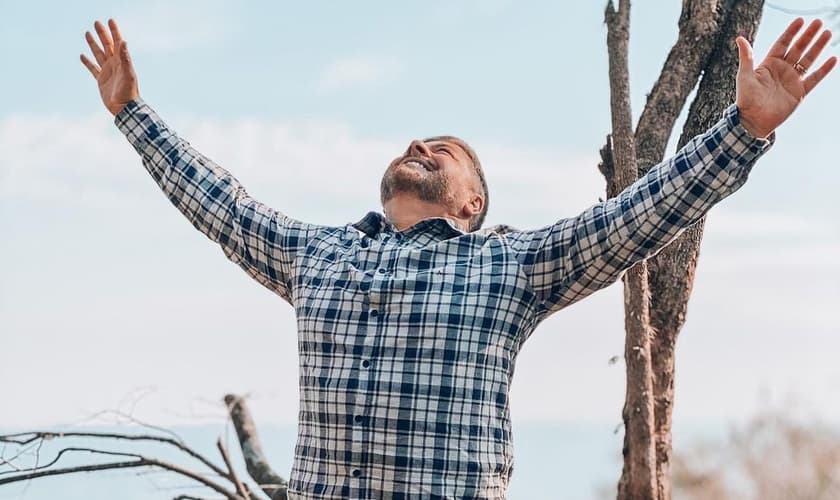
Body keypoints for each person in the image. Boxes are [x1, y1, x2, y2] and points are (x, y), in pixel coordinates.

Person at [80, 17, 835, 499]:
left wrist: (743, 130)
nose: (417, 145)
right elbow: (220, 203)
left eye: (441, 151)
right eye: (415, 143)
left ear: (472, 205)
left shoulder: (506, 267)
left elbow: (635, 220)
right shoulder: (318, 256)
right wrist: (131, 113)